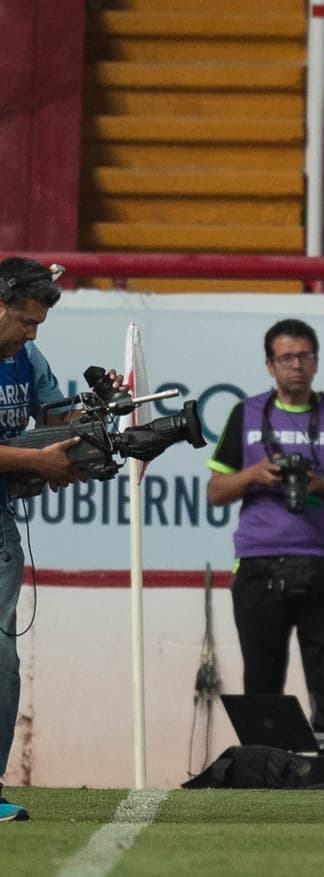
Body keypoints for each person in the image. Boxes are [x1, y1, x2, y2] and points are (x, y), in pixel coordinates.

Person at [207, 319, 324, 738]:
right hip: (258, 568)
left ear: (316, 362)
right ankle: (266, 777)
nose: (295, 365)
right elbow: (215, 491)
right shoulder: (245, 414)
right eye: (285, 358)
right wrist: (254, 476)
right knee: (261, 688)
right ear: (269, 365)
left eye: (303, 356)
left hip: (323, 567)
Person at [0, 258, 91, 823]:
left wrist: (100, 424)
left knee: (2, 658)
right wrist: (37, 459)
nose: (32, 335)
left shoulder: (26, 359)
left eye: (38, 325)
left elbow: (59, 415)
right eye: (25, 322)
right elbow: (39, 448)